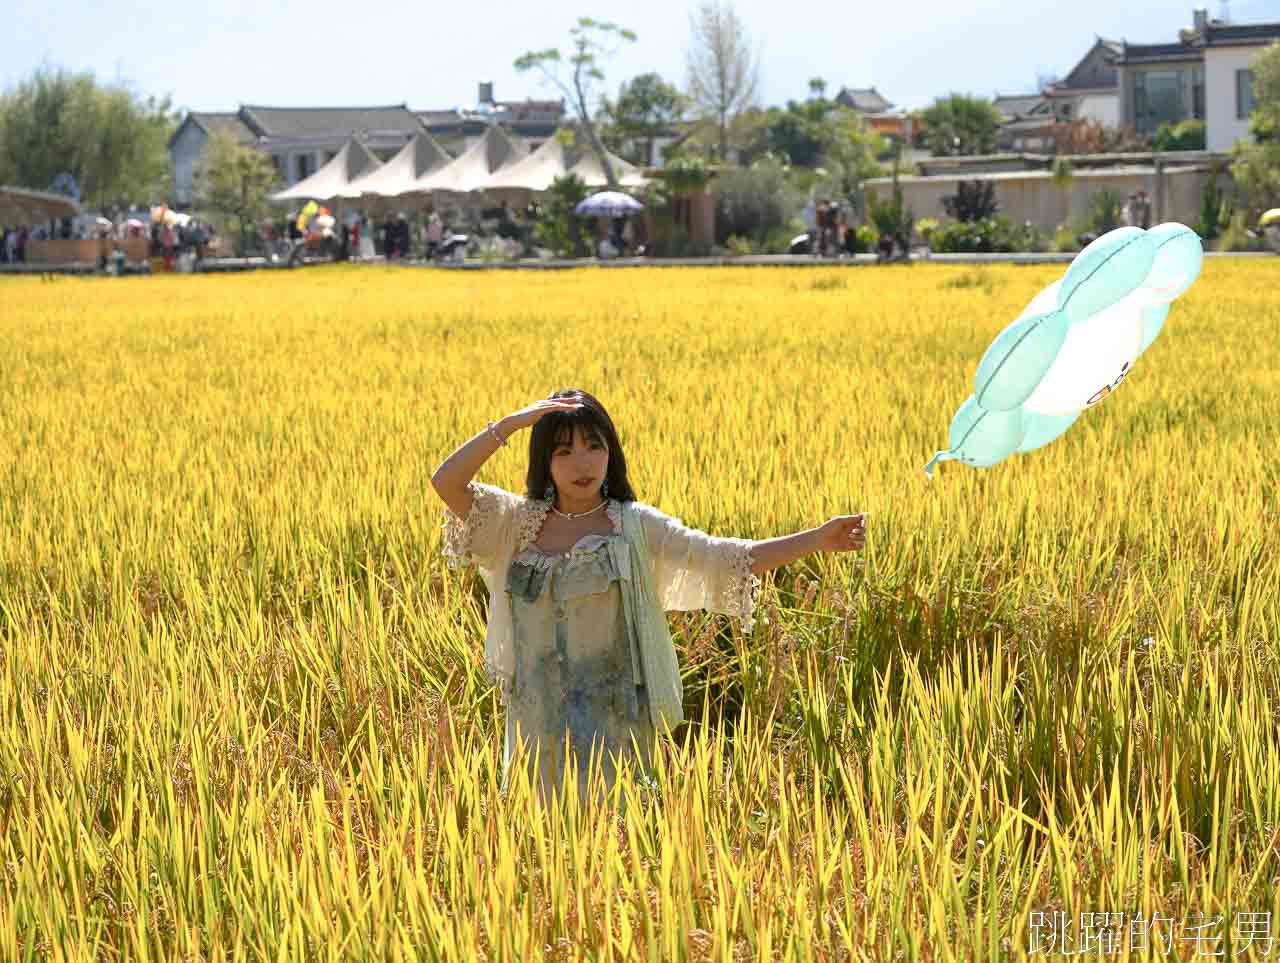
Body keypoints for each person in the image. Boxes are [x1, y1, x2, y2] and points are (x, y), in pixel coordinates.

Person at [431, 390, 868, 809]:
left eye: (594, 447)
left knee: (616, 851)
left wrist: (816, 538)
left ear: (611, 453)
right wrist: (512, 424)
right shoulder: (515, 524)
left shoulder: (635, 527)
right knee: (540, 853)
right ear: (544, 460)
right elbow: (446, 481)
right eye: (563, 451)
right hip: (535, 728)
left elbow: (727, 556)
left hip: (615, 725)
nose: (582, 463)